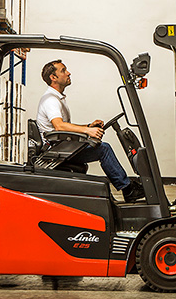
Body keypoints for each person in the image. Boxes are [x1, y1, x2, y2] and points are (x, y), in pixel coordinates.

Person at [36, 59, 145, 203]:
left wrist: (89, 126)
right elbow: (59, 126)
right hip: (57, 151)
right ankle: (128, 189)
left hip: (62, 146)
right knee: (103, 149)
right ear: (53, 77)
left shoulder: (57, 98)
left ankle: (127, 187)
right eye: (63, 70)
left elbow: (64, 126)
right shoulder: (51, 100)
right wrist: (88, 131)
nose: (68, 73)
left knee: (101, 147)